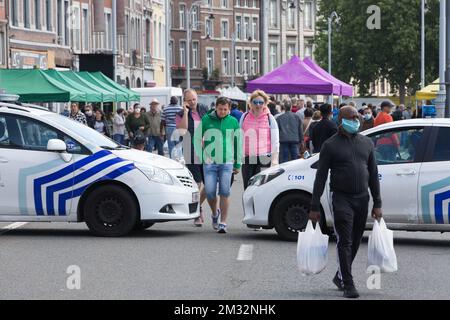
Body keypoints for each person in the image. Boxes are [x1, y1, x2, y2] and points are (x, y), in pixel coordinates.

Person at [309, 106, 383, 299]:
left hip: (362, 198)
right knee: (345, 241)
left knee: (356, 240)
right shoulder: (330, 145)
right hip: (341, 198)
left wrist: (377, 202)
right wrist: (314, 206)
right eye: (351, 117)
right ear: (341, 120)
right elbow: (320, 176)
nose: (356, 120)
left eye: (357, 117)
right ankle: (348, 284)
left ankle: (340, 275)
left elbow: (373, 174)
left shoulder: (366, 143)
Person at [194, 96, 242, 234]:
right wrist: (203, 156)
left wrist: (238, 163)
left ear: (229, 109)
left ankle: (223, 222)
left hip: (227, 162)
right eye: (220, 109)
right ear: (216, 107)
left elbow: (238, 143)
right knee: (209, 192)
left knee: (225, 192)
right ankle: (215, 214)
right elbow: (197, 139)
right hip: (209, 162)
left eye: (225, 109)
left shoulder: (233, 121)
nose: (222, 112)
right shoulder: (206, 119)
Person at [177, 89, 209, 226]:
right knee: (197, 183)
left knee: (209, 184)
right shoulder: (180, 113)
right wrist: (185, 112)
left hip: (207, 149)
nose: (193, 102)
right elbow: (182, 131)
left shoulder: (204, 109)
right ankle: (198, 211)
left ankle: (197, 206)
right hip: (190, 149)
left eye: (194, 99)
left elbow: (210, 125)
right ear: (185, 101)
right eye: (189, 100)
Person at [240, 90, 280, 189]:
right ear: (251, 103)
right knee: (248, 187)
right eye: (255, 102)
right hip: (248, 157)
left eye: (261, 102)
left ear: (265, 103)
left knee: (261, 188)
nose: (258, 105)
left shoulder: (270, 118)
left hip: (264, 157)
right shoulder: (244, 116)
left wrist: (274, 160)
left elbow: (275, 141)